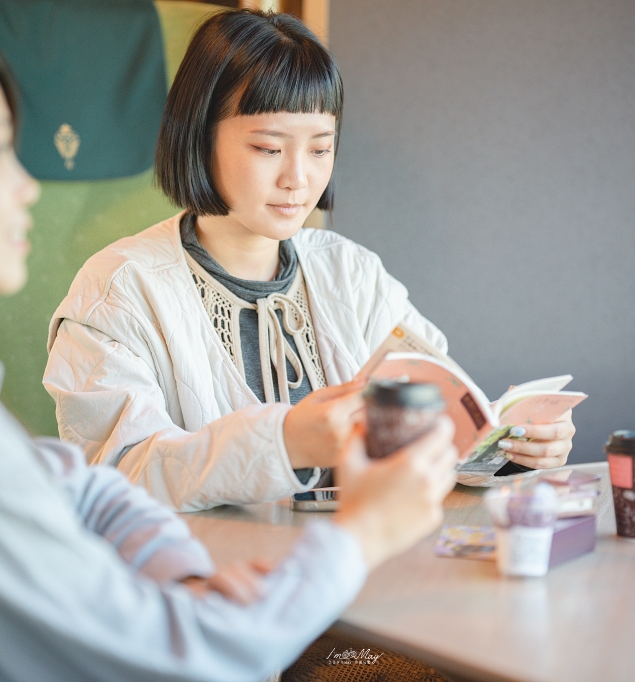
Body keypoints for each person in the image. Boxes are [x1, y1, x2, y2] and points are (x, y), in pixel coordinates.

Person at [0, 14, 457, 681]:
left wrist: (185, 576)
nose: (28, 186)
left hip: (286, 598)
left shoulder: (350, 270)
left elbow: (79, 488)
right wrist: (346, 518)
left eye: (320, 147)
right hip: (259, 616)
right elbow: (188, 650)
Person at [44, 8, 577, 512]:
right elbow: (117, 474)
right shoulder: (119, 290)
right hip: (211, 588)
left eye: (320, 149)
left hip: (361, 565)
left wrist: (510, 450)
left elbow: (446, 425)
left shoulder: (353, 274)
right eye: (269, 148)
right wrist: (284, 444)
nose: (298, 178)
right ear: (198, 135)